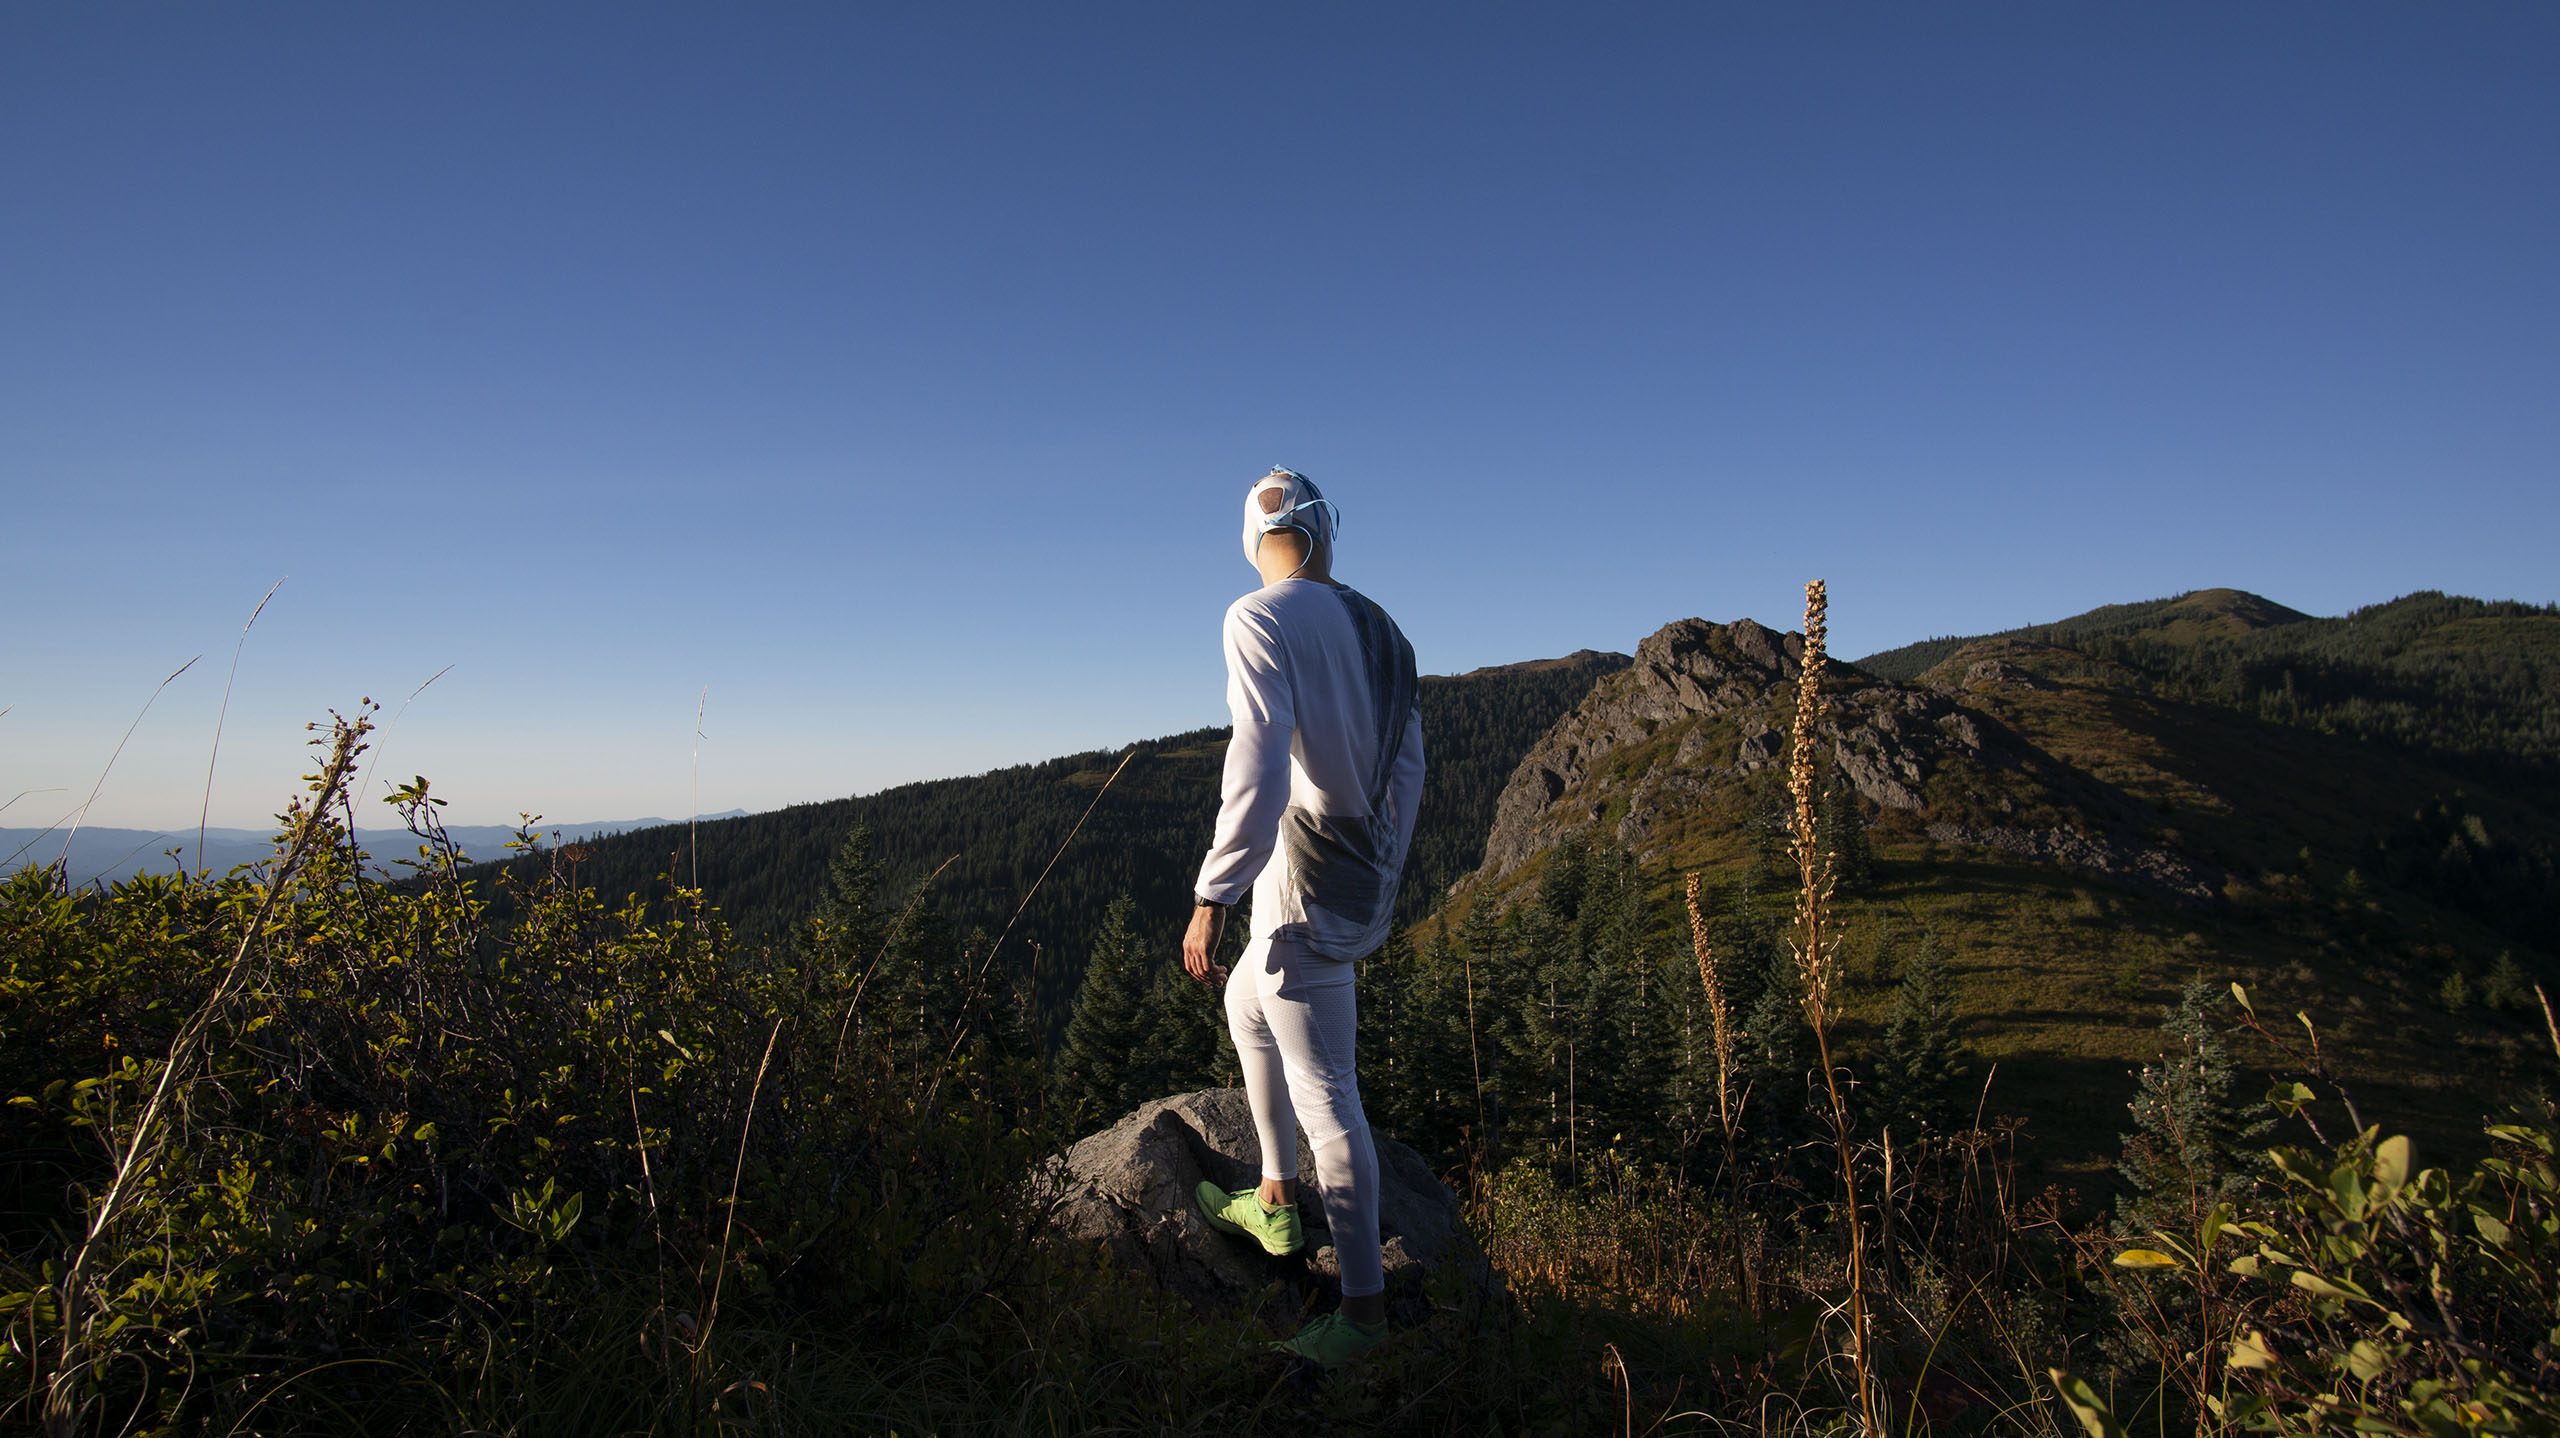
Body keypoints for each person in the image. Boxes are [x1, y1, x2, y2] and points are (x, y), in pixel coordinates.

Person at [1182, 466, 1424, 1368]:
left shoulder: (1258, 616)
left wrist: (1214, 895)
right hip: (1355, 876)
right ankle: (1277, 1202)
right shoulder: (1384, 630)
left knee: (1331, 1102)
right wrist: (1384, 867)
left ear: (1255, 540)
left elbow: (1258, 766)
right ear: (1328, 533)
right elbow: (1408, 772)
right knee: (1246, 1005)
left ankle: (1363, 1318)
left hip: (1298, 896)